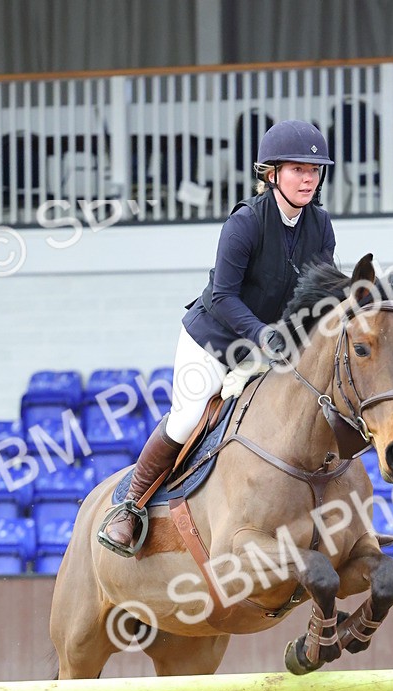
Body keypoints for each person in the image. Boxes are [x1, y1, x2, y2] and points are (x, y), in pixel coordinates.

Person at [100, 118, 336, 556]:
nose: (308, 178)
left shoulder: (320, 226)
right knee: (189, 415)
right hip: (215, 339)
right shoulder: (245, 222)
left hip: (269, 347)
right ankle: (130, 507)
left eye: (315, 170)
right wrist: (263, 335)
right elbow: (225, 295)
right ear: (271, 173)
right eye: (298, 169)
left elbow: (318, 293)